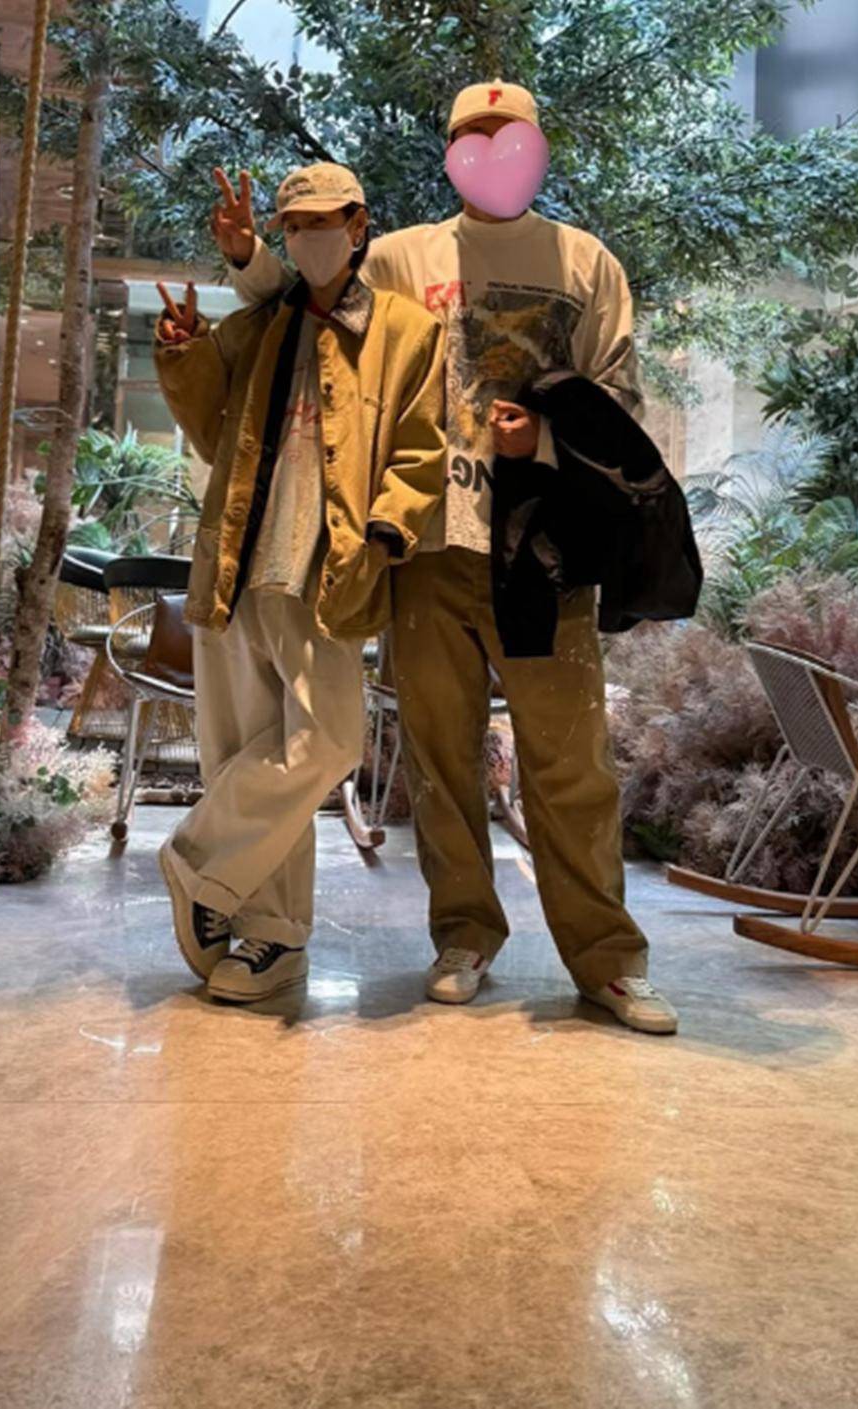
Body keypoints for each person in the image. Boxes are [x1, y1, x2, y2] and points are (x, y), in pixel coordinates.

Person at [211, 82, 679, 1034]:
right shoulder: (397, 256)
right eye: (473, 134)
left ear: (536, 145)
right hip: (425, 546)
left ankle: (608, 961)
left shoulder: (584, 260)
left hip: (544, 551)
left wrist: (541, 442)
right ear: (451, 150)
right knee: (439, 761)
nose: (491, 148)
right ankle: (463, 934)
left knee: (570, 763)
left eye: (509, 135)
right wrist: (251, 260)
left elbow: (620, 400)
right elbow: (304, 317)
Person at [154, 161, 446, 1003]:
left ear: (359, 225)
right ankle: (271, 936)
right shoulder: (260, 325)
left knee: (327, 742)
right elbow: (210, 427)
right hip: (237, 563)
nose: (313, 236)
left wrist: (386, 530)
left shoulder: (404, 331)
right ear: (284, 236)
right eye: (297, 225)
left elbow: (422, 443)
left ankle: (198, 862)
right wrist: (183, 352)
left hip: (329, 568)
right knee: (243, 748)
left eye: (327, 220)